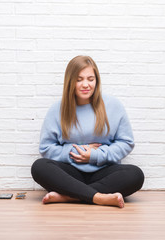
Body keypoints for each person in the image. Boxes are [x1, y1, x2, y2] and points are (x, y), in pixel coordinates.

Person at [31, 55, 144, 208]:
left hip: (104, 171)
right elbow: (46, 147)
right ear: (70, 81)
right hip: (71, 173)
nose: (85, 84)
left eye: (90, 79)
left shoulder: (113, 105)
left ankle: (70, 197)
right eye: (79, 79)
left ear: (96, 81)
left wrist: (95, 155)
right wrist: (79, 152)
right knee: (39, 167)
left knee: (135, 175)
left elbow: (126, 142)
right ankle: (99, 197)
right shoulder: (57, 109)